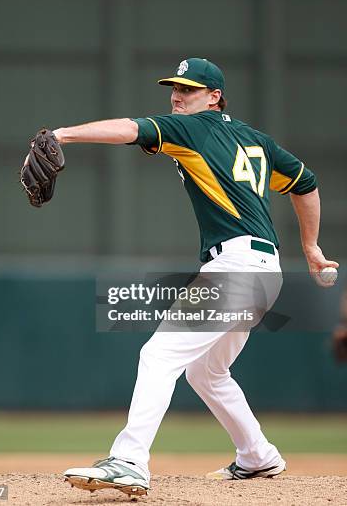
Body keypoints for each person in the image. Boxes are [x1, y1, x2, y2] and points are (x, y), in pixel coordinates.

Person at [55, 58, 338, 496]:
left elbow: (131, 129)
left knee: (159, 355)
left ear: (213, 96)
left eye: (188, 89)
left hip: (237, 268)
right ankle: (258, 456)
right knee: (207, 372)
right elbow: (305, 182)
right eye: (175, 88)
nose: (176, 96)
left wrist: (62, 135)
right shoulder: (255, 139)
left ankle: (129, 461)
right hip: (264, 271)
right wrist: (311, 247)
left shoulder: (192, 128)